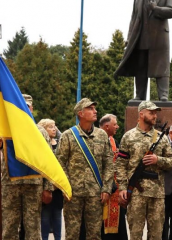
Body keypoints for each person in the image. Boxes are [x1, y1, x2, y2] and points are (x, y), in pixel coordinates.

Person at [0, 94, 53, 240]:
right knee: (9, 226)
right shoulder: (5, 129)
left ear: (31, 109)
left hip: (33, 185)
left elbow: (48, 160)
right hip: (11, 184)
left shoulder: (40, 132)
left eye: (26, 107)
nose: (22, 109)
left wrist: (48, 188)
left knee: (32, 228)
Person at [56, 98, 114, 240]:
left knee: (94, 234)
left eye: (94, 108)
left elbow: (109, 163)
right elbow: (60, 163)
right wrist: (66, 187)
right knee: (72, 234)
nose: (95, 111)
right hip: (73, 194)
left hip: (96, 193)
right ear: (80, 113)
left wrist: (106, 188)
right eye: (90, 109)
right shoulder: (68, 136)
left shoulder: (102, 135)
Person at [117, 101, 172, 240]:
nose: (155, 116)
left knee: (156, 235)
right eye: (151, 113)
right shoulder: (128, 136)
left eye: (156, 113)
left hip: (157, 194)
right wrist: (123, 188)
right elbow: (120, 164)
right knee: (135, 234)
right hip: (136, 194)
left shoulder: (162, 138)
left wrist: (158, 160)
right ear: (141, 114)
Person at [114, 0, 172, 101]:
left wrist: (155, 9)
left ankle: (163, 95)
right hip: (141, 36)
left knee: (161, 65)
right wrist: (129, 37)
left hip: (159, 37)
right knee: (141, 66)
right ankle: (139, 95)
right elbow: (134, 18)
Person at [98, 114, 128, 240]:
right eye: (115, 124)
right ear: (107, 126)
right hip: (100, 187)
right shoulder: (96, 139)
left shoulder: (113, 141)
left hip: (114, 187)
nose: (117, 126)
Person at [38, 118, 63, 240]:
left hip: (58, 185)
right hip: (43, 185)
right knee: (45, 216)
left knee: (57, 215)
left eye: (55, 126)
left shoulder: (59, 143)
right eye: (50, 127)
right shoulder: (40, 145)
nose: (54, 129)